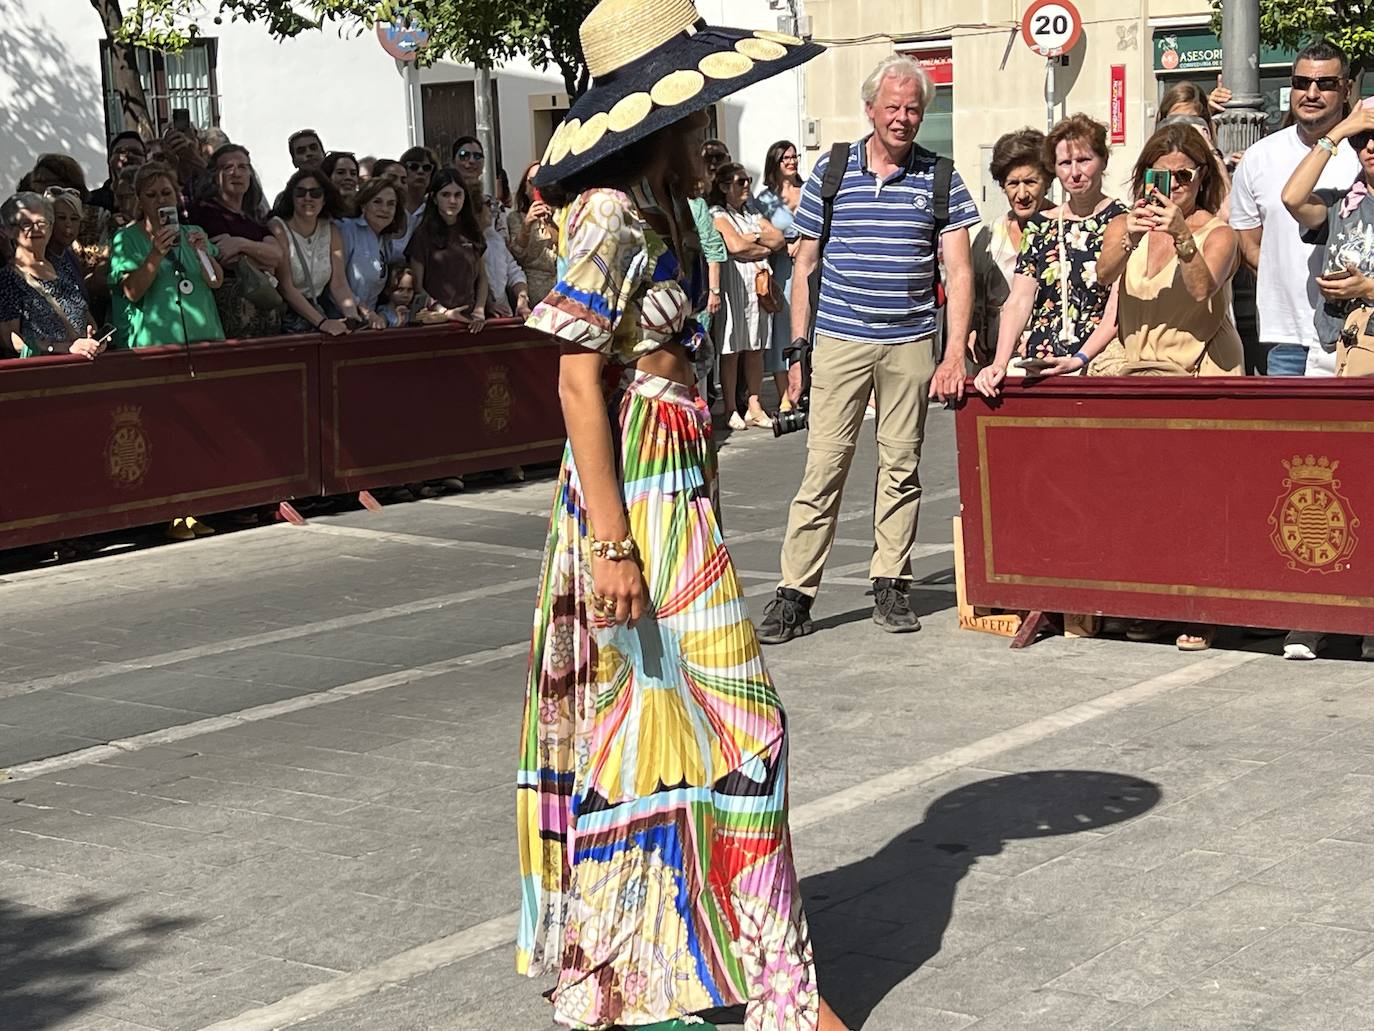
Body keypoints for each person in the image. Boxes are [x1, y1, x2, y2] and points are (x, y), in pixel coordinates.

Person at [518, 2, 846, 1028]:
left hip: (673, 478)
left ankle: (631, 974)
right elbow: (577, 383)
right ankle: (781, 991)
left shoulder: (667, 205)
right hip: (635, 498)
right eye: (698, 101)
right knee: (748, 730)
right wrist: (611, 545)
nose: (711, 119)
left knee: (644, 730)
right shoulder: (611, 213)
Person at [760, 54, 980, 644]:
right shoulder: (832, 172)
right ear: (871, 110)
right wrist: (799, 353)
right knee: (823, 469)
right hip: (839, 341)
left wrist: (953, 354)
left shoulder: (941, 178)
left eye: (913, 109)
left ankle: (891, 584)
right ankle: (795, 595)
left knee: (901, 469)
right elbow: (803, 267)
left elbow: (958, 273)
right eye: (893, 107)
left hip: (909, 343)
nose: (903, 118)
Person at [1277, 96, 1374, 661]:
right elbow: (1292, 198)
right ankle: (1315, 616)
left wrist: (1369, 290)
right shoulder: (1345, 203)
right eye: (1367, 141)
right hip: (1334, 351)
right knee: (1329, 490)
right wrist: (1340, 130)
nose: (1371, 148)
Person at [1230, 39, 1362, 377]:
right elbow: (1248, 244)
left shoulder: (1365, 152)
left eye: (1326, 84)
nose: (1312, 93)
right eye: (1301, 83)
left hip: (1356, 332)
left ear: (1346, 89)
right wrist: (1281, 274)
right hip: (1284, 337)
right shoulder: (1259, 156)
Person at [973, 115, 1127, 392]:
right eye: (1065, 163)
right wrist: (999, 362)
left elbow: (1116, 312)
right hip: (1043, 361)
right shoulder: (1040, 225)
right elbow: (1019, 300)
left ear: (1103, 161)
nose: (1075, 173)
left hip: (1098, 362)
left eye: (1084, 160)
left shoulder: (1123, 221)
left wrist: (1079, 359)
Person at [109, 162, 224, 350]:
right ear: (140, 200)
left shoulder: (194, 232)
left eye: (166, 193)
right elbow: (131, 292)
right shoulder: (127, 238)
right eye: (151, 195)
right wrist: (155, 254)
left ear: (177, 196)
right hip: (156, 344)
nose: (160, 200)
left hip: (206, 338)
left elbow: (215, 281)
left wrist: (202, 253)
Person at [969, 128, 1052, 368]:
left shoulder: (1066, 229)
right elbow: (974, 296)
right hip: (994, 359)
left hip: (1047, 356)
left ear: (1046, 181)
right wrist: (972, 329)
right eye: (1013, 183)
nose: (1022, 193)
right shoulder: (990, 235)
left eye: (1030, 182)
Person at [711, 161, 782, 429]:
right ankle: (731, 407)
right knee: (732, 348)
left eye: (748, 181)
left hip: (758, 287)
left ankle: (755, 404)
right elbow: (734, 244)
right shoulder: (718, 213)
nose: (746, 187)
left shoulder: (751, 212)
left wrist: (753, 242)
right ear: (724, 186)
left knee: (755, 346)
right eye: (740, 182)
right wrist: (755, 243)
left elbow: (777, 240)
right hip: (734, 285)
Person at [188, 144, 284, 339]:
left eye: (243, 167)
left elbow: (276, 256)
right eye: (227, 167)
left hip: (265, 314)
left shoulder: (254, 217)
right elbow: (223, 257)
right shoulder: (204, 213)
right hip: (229, 319)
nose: (236, 173)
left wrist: (240, 244)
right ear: (215, 175)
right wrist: (260, 256)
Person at [0, 193, 105, 360]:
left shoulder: (61, 265)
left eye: (42, 222)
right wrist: (64, 348)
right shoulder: (7, 277)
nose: (36, 229)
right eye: (26, 224)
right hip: (43, 371)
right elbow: (10, 338)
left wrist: (94, 337)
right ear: (9, 230)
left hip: (81, 365)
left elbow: (84, 312)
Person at [268, 168, 352, 335]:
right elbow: (285, 286)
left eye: (315, 193)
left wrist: (352, 317)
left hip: (315, 317)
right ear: (291, 197)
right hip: (285, 321)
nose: (307, 198)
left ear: (324, 199)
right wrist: (322, 322)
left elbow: (339, 283)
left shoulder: (331, 229)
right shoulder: (278, 227)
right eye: (300, 192)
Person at [754, 140, 805, 409]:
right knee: (783, 328)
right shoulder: (765, 199)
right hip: (782, 268)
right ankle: (785, 393)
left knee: (813, 325)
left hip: (810, 265)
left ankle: (810, 386)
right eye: (786, 157)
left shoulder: (808, 192)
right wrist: (784, 244)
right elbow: (760, 232)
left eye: (795, 156)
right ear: (775, 161)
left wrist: (803, 243)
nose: (792, 161)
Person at [404, 169, 487, 330]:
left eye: (458, 195)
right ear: (434, 198)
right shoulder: (422, 236)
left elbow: (482, 278)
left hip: (471, 322)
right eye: (445, 195)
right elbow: (418, 287)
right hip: (434, 322)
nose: (453, 200)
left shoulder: (472, 233)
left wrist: (479, 310)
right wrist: (444, 312)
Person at [329, 176, 407, 329]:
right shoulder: (345, 230)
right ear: (364, 205)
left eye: (391, 204)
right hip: (340, 324)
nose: (385, 209)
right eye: (377, 202)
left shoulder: (386, 241)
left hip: (369, 325)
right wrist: (364, 312)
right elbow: (334, 283)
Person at [507, 161, 558, 302]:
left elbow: (567, 249)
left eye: (542, 179)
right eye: (532, 181)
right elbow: (517, 256)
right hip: (533, 293)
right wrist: (527, 225)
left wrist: (551, 224)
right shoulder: (515, 218)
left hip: (560, 289)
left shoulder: (561, 214)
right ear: (525, 187)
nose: (538, 186)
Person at [452, 134, 511, 242]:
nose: (471, 161)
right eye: (464, 155)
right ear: (453, 161)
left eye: (477, 156)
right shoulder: (442, 200)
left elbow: (503, 245)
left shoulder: (495, 205)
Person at [479, 195, 529, 319]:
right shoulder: (463, 243)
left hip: (503, 313)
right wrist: (486, 304)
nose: (490, 209)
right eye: (486, 204)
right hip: (477, 317)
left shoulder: (494, 239)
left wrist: (522, 299)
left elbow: (514, 272)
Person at [90, 132, 146, 212]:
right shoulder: (91, 201)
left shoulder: (155, 198)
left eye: (136, 152)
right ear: (109, 159)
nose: (129, 155)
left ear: (146, 160)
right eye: (122, 152)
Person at [399, 145, 439, 220]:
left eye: (426, 168)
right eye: (414, 166)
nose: (420, 171)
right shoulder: (392, 206)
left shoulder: (437, 209)